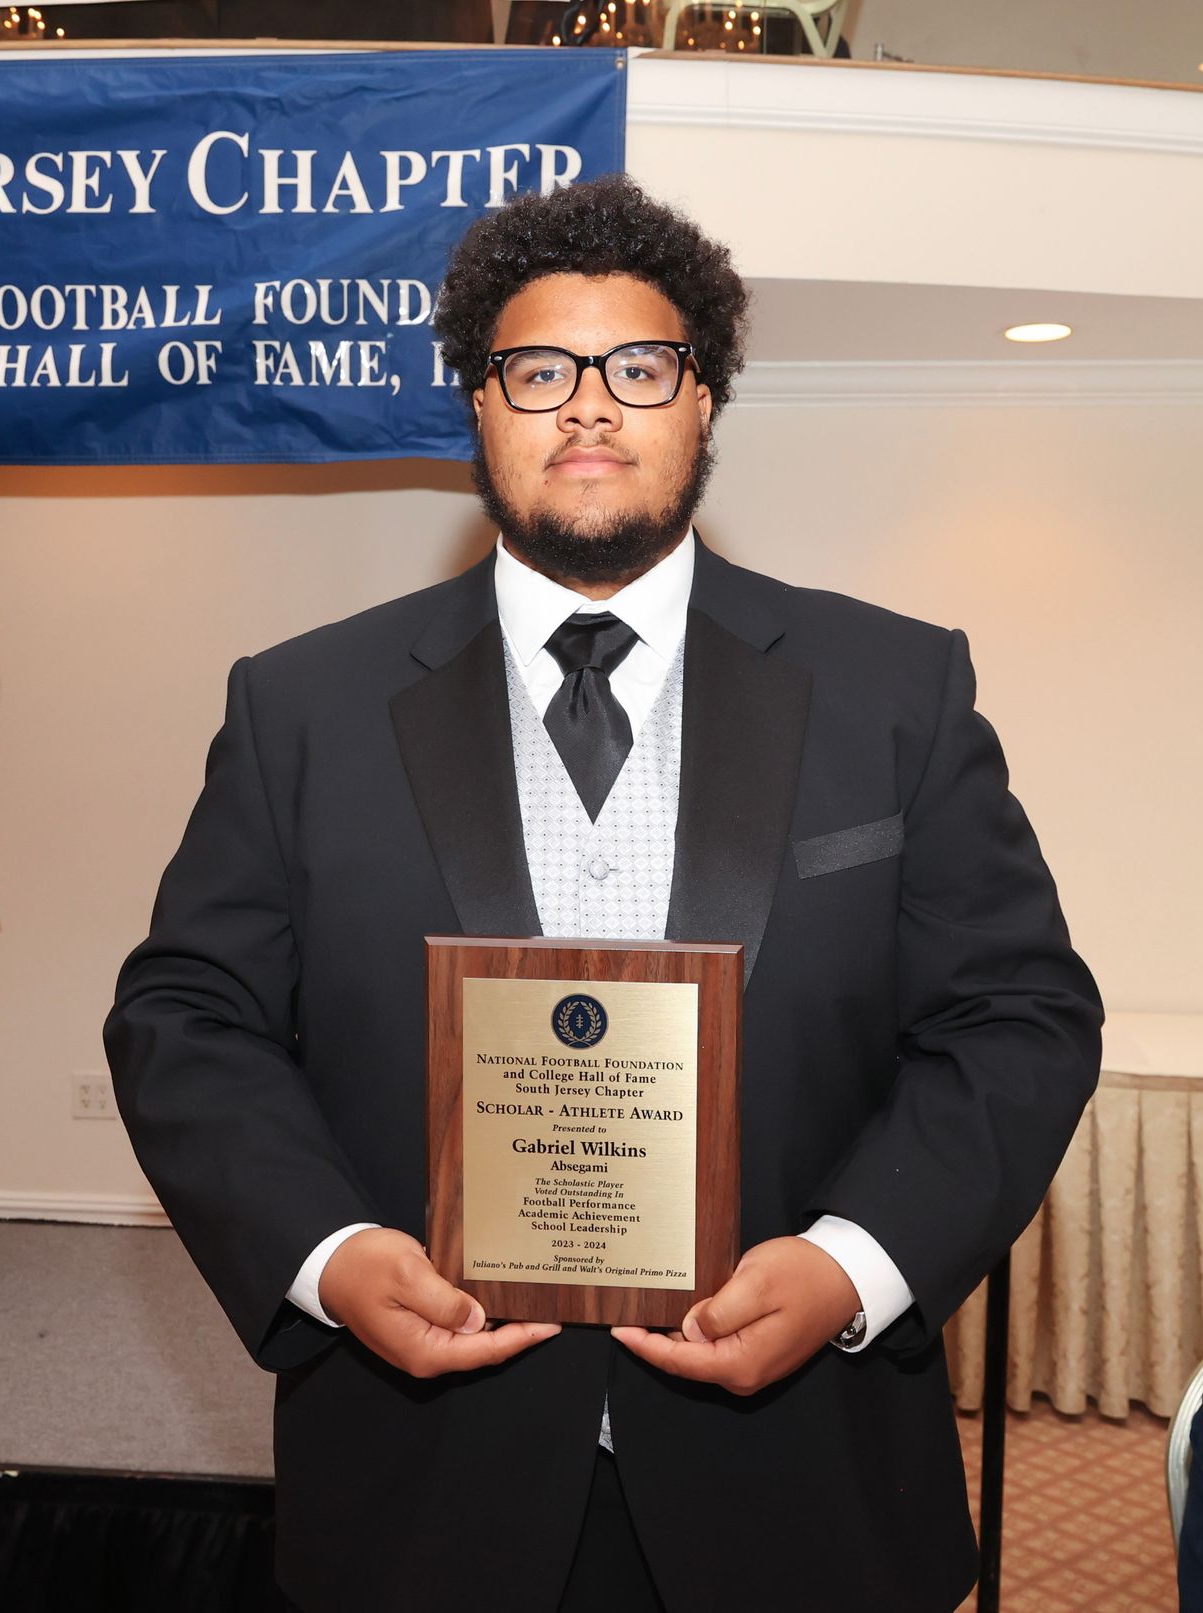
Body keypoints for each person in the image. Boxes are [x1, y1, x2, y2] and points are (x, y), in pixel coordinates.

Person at [104, 175, 1101, 1613]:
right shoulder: (301, 705)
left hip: (798, 1481)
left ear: (705, 403)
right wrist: (328, 1256)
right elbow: (186, 1018)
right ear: (478, 403)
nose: (588, 405)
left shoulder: (895, 690)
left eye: (640, 367)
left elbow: (1019, 1021)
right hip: (428, 1484)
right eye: (537, 369)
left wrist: (848, 1267)